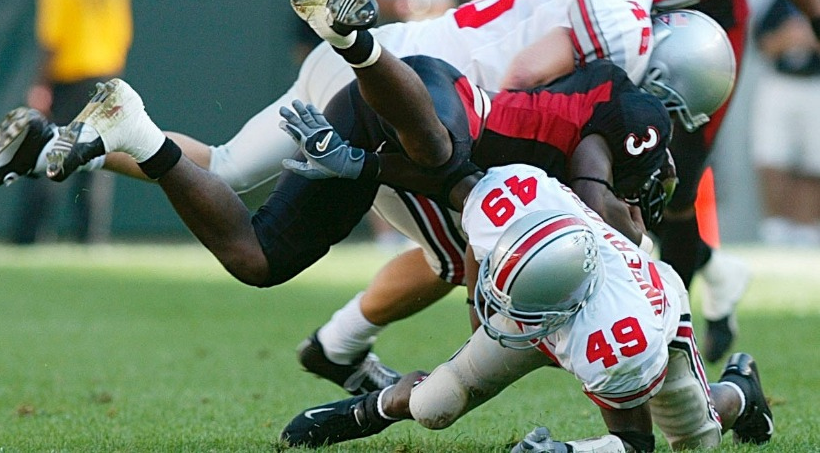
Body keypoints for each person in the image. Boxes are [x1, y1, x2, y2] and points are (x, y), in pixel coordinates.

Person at [0, 0, 733, 397]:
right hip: (424, 92)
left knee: (220, 174)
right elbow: (525, 84)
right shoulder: (624, 35)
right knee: (473, 251)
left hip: (394, 67)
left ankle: (86, 138)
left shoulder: (612, 19)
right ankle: (342, 346)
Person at [278, 165, 774, 452]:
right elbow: (476, 230)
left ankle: (741, 392)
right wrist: (480, 305)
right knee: (434, 406)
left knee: (693, 441)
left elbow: (633, 444)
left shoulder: (619, 336)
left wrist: (564, 452)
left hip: (643, 314)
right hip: (544, 304)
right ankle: (374, 407)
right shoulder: (514, 199)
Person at [574, 0, 820, 364]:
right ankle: (715, 270)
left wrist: (814, 15)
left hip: (712, 32)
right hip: (645, 28)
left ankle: (670, 343)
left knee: (677, 180)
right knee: (633, 174)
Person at [13, 0, 132, 243]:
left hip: (69, 77)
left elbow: (52, 37)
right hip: (106, 75)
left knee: (51, 151)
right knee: (96, 156)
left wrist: (41, 84)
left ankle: (29, 238)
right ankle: (90, 238)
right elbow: (122, 36)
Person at [751, 0, 820, 246]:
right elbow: (763, 41)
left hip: (814, 83)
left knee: (813, 162)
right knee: (773, 156)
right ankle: (776, 228)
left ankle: (809, 229)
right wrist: (790, 38)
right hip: (780, 81)